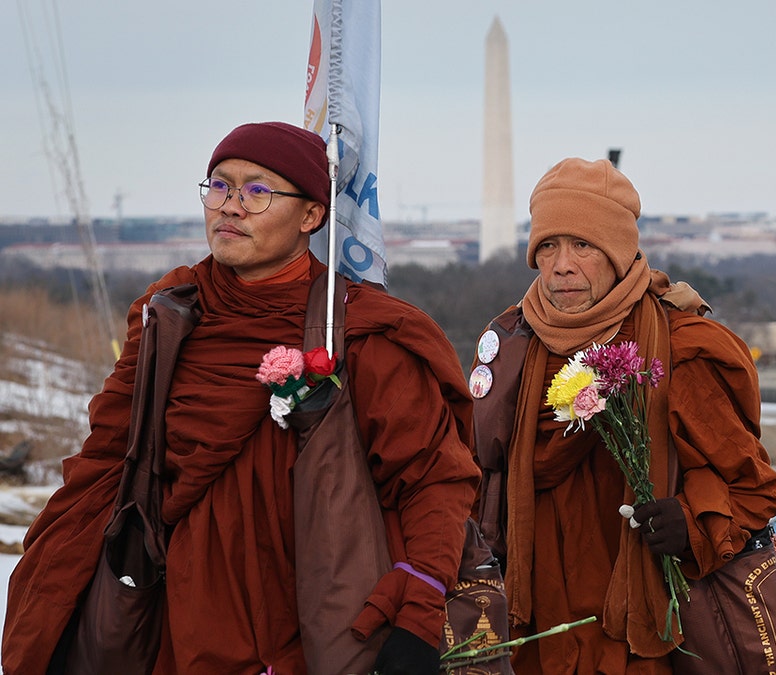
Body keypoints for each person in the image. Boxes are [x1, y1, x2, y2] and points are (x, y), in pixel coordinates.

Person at [3, 121, 481, 675]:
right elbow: (107, 457)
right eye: (219, 186)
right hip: (167, 610)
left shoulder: (357, 331)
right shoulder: (168, 316)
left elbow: (433, 478)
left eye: (258, 191)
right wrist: (53, 586)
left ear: (310, 216)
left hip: (306, 612)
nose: (230, 207)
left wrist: (420, 609)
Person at [470, 157, 776, 673]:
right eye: (547, 246)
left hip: (642, 639)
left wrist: (690, 522)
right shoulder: (510, 347)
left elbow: (755, 487)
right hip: (532, 634)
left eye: (583, 245)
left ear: (618, 252)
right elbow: (473, 476)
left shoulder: (679, 348)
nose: (561, 265)